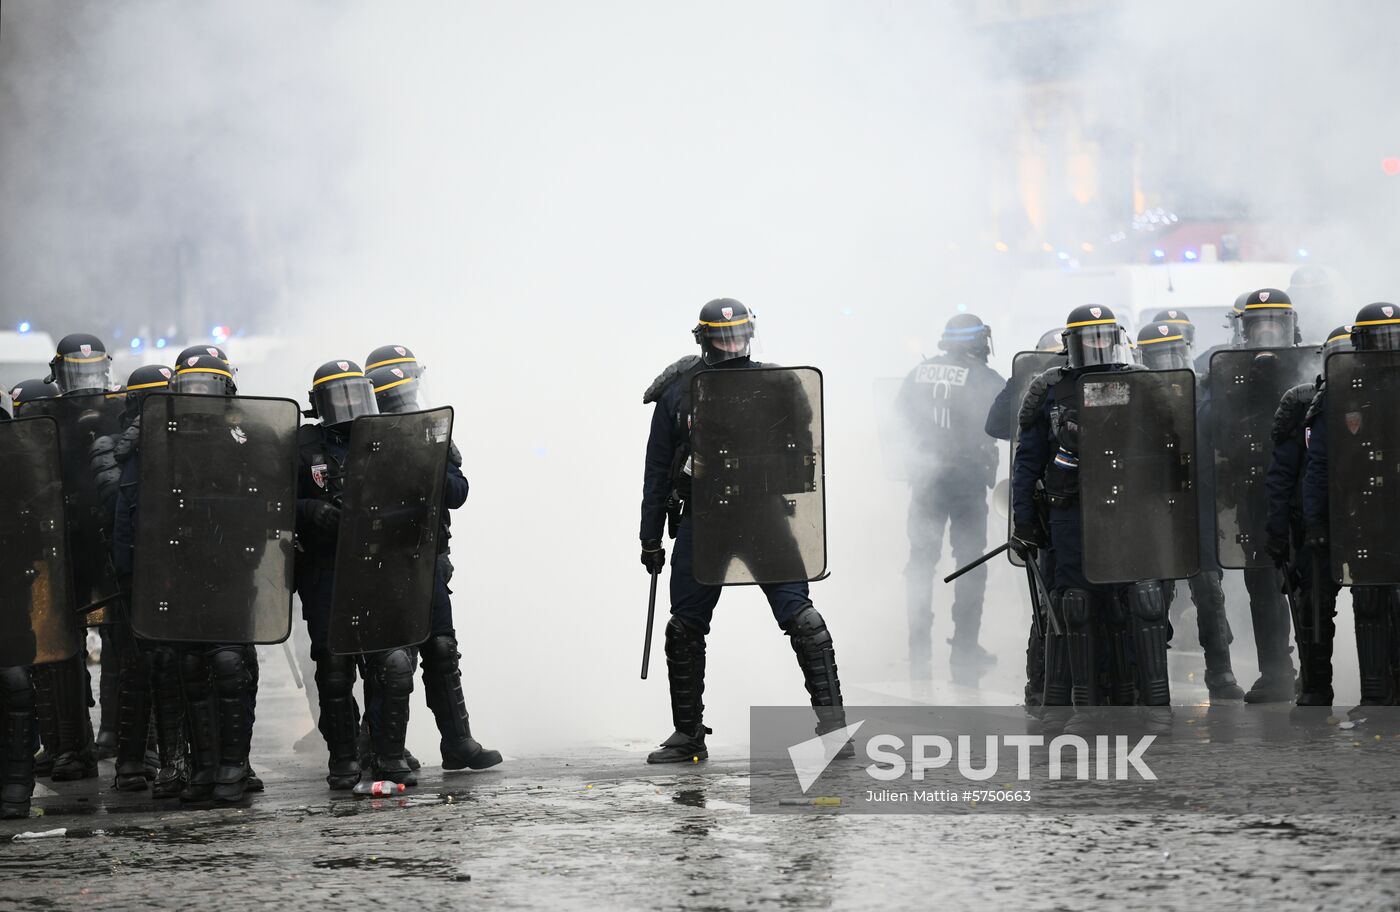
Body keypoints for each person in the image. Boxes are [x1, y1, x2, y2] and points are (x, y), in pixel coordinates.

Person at [639, 299, 850, 763]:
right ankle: (688, 735)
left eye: (738, 336)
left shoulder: (778, 384)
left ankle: (835, 731)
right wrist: (649, 537)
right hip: (704, 519)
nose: (733, 345)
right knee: (685, 627)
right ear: (704, 338)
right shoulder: (679, 391)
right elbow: (658, 469)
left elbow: (802, 449)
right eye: (723, 337)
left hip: (762, 516)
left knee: (801, 617)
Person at [1011, 305, 1173, 733]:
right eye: (1088, 338)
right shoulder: (1049, 389)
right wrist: (1024, 523)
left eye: (1103, 336)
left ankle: (1155, 704)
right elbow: (1027, 464)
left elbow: (1173, 448)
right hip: (1072, 513)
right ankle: (1086, 708)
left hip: (1131, 511)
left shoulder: (1143, 384)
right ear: (1072, 344)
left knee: (1145, 600)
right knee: (1076, 604)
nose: (1097, 345)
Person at [366, 364, 501, 770]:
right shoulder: (366, 438)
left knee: (441, 650)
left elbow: (457, 494)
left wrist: (432, 459)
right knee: (394, 660)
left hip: (428, 561)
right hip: (384, 564)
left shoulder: (434, 434)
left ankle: (457, 743)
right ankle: (383, 749)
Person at [294, 360, 418, 787]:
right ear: (318, 403)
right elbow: (269, 502)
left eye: (355, 394)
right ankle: (343, 759)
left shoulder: (387, 438)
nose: (348, 406)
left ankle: (387, 755)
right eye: (337, 396)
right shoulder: (300, 445)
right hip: (325, 569)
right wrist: (310, 510)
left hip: (377, 567)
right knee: (334, 666)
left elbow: (419, 495)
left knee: (393, 662)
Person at [1136, 319, 1244, 702]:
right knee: (1152, 598)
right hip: (1153, 513)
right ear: (1143, 359)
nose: (1168, 363)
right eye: (1158, 356)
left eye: (1173, 354)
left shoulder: (1204, 395)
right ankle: (1151, 677)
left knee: (1210, 592)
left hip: (1197, 509)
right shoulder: (1134, 399)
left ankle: (1220, 670)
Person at [1302, 303, 1400, 712]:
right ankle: (1376, 695)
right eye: (1378, 340)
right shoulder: (1341, 396)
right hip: (1366, 515)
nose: (1387, 350)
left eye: (1393, 339)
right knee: (1371, 600)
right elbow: (1321, 465)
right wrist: (1317, 523)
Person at [92, 364, 184, 795]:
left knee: (178, 668)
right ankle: (131, 762)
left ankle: (175, 762)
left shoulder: (184, 442)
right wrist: (140, 441)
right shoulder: (111, 447)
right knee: (137, 667)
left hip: (179, 569)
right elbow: (114, 498)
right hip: (132, 571)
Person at [897, 314, 1004, 679]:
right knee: (971, 564)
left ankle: (917, 646)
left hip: (926, 483)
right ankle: (964, 649)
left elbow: (898, 420)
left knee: (921, 563)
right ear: (978, 341)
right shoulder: (986, 379)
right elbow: (1007, 422)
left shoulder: (918, 373)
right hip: (967, 483)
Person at [1264, 326, 1353, 707]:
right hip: (1315, 524)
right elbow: (1283, 475)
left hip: (1369, 520)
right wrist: (1278, 530)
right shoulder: (1304, 404)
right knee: (1313, 606)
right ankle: (1317, 684)